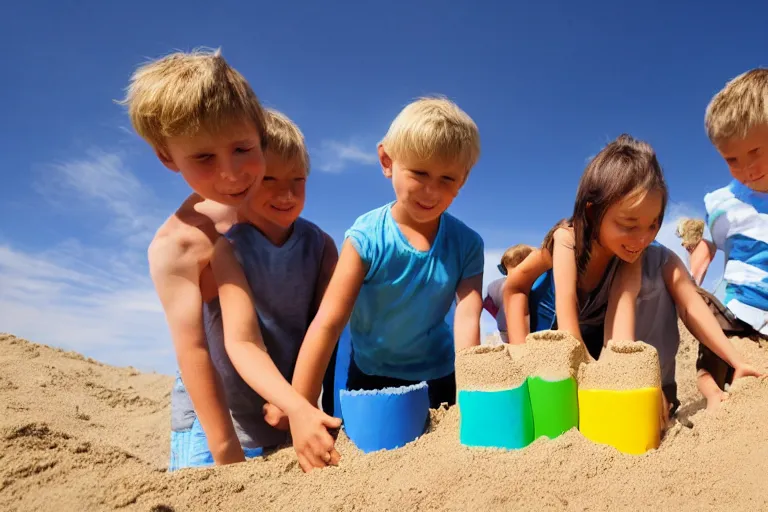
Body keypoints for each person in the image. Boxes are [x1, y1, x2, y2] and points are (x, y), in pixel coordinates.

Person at [122, 49, 337, 471]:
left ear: (260, 136)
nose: (232, 173)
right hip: (211, 414)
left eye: (242, 148)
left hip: (273, 403)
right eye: (203, 158)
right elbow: (196, 351)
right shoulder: (180, 244)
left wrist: (295, 400)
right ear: (168, 156)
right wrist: (225, 452)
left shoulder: (274, 215)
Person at [503, 134, 760, 425]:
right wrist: (520, 354)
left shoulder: (631, 256)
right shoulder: (568, 240)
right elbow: (527, 295)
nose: (642, 238)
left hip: (586, 334)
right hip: (545, 326)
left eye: (653, 225)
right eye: (629, 225)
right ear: (593, 210)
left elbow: (621, 336)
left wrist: (736, 360)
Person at [289, 97, 484, 469]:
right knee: (369, 461)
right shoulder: (366, 237)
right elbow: (329, 321)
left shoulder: (468, 244)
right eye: (419, 174)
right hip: (372, 377)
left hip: (442, 377)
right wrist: (301, 406)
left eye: (447, 178)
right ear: (387, 161)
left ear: (463, 179)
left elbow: (467, 319)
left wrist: (471, 394)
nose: (431, 190)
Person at [688, 67, 768, 409]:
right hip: (738, 308)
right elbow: (711, 243)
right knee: (710, 350)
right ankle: (714, 397)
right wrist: (696, 269)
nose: (747, 167)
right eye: (732, 159)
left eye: (756, 151)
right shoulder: (721, 204)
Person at [483, 244, 534, 342]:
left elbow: (487, 304)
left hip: (504, 330)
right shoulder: (532, 283)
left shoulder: (495, 285)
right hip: (527, 331)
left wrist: (499, 317)